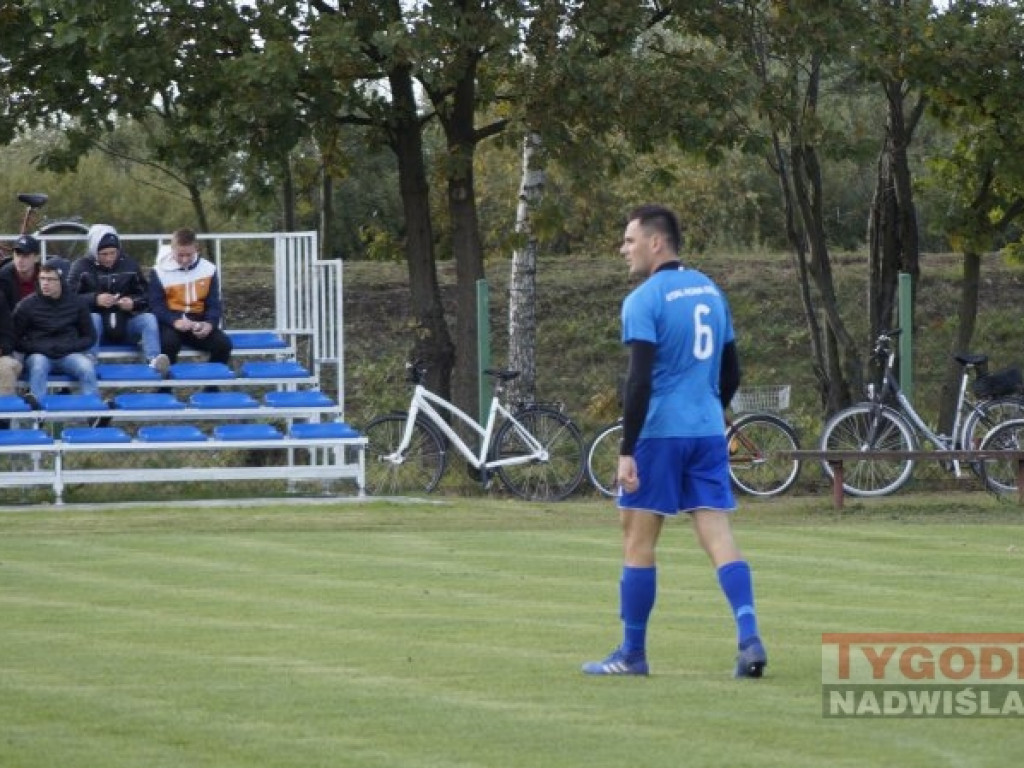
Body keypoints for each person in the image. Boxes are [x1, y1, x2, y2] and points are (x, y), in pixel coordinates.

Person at [581, 204, 766, 679]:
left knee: (637, 540)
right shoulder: (710, 290)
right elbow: (732, 372)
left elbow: (638, 381)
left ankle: (632, 654)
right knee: (718, 536)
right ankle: (749, 638)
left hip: (660, 435)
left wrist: (626, 450)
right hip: (706, 432)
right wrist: (710, 409)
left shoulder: (644, 300)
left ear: (655, 242)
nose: (624, 249)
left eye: (629, 240)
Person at [68, 224, 170, 376]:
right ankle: (90, 359)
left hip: (125, 323)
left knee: (148, 319)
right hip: (96, 328)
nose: (109, 258)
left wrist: (133, 302)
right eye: (104, 254)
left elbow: (147, 296)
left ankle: (154, 359)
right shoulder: (80, 266)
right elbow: (68, 299)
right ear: (94, 250)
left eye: (112, 253)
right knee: (93, 317)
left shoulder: (130, 264)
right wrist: (95, 300)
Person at [12, 259, 99, 405]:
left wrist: (69, 347)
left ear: (61, 281)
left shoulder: (77, 303)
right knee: (38, 365)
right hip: (39, 354)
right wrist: (39, 347)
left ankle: (94, 412)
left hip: (68, 353)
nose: (45, 283)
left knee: (86, 367)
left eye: (50, 279)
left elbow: (90, 337)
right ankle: (37, 414)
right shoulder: (26, 305)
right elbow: (15, 339)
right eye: (42, 279)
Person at [148, 227, 232, 366]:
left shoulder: (209, 269)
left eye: (189, 254)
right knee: (168, 345)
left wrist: (209, 324)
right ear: (172, 249)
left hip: (198, 322)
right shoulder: (158, 271)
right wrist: (175, 321)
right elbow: (156, 305)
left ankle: (211, 386)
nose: (185, 259)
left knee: (223, 345)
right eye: (180, 255)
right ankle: (166, 387)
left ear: (196, 248)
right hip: (170, 323)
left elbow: (214, 304)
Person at [0, 234, 43, 311]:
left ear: (36, 258)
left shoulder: (47, 278)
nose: (20, 260)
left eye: (25, 255)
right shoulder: (3, 278)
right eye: (17, 255)